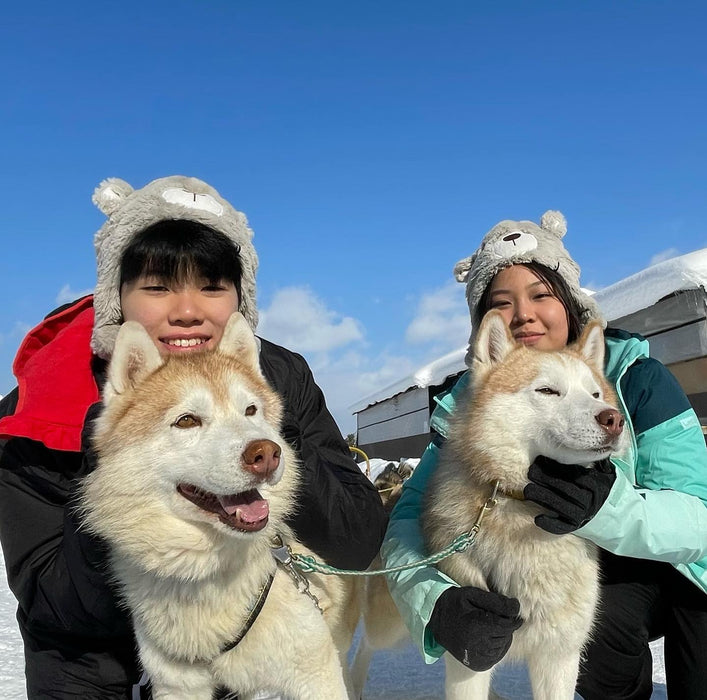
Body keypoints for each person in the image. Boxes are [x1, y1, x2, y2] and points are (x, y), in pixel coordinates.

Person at [0, 175, 388, 698]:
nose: (187, 310)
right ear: (117, 299)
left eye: (212, 286)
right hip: (85, 667)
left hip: (229, 640)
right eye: (157, 286)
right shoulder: (33, 408)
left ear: (239, 298)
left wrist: (266, 423)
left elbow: (356, 536)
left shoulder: (278, 375)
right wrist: (113, 468)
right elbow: (52, 602)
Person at [381, 210, 707, 699]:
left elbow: (698, 521)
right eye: (502, 302)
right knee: (604, 635)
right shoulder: (465, 407)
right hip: (584, 572)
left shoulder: (639, 379)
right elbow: (405, 525)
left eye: (540, 295)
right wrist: (437, 602)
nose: (524, 315)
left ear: (569, 303)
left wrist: (607, 507)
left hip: (680, 572)